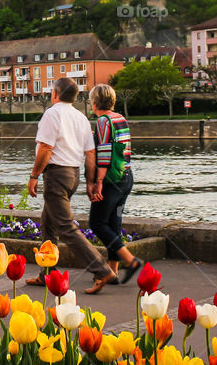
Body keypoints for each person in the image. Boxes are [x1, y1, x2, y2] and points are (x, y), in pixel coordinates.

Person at [24, 77, 117, 294]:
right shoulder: (81, 117)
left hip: (56, 174)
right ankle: (48, 273)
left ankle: (101, 269)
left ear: (55, 94)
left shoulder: (52, 113)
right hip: (73, 174)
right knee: (48, 222)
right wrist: (91, 181)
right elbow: (91, 153)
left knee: (65, 227)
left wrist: (34, 175)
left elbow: (46, 148)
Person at [87, 83, 142, 290]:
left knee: (97, 223)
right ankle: (113, 272)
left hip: (111, 180)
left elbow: (103, 155)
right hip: (126, 176)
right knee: (113, 223)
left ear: (94, 102)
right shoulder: (120, 118)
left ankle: (130, 261)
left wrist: (99, 182)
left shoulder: (103, 121)